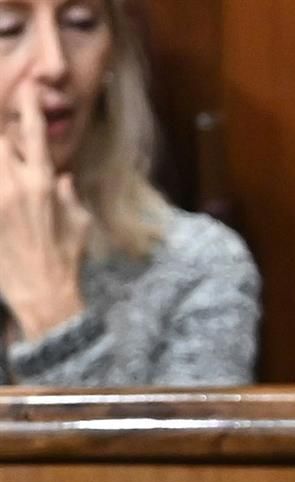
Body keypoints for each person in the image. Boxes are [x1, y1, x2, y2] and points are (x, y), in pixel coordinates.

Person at [0, 0, 258, 386]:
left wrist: (51, 309)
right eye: (7, 29)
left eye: (80, 23)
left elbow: (151, 449)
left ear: (112, 55)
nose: (54, 64)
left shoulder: (199, 265)